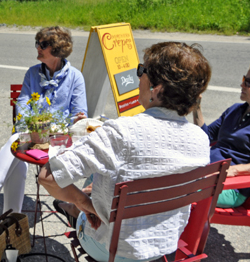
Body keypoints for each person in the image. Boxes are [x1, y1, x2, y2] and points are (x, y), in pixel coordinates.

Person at [39, 42, 212, 262]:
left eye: (142, 71)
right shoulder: (200, 139)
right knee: (105, 170)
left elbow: (48, 177)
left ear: (156, 89)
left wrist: (85, 204)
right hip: (163, 244)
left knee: (89, 190)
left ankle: (72, 209)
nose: (139, 77)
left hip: (112, 249)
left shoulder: (122, 132)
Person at [0, 26, 87, 230]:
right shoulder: (33, 73)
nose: (37, 48)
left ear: (58, 49)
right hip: (32, 134)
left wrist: (55, 127)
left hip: (59, 140)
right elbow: (22, 107)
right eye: (37, 43)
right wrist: (35, 129)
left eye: (43, 45)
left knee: (15, 149)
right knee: (15, 146)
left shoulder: (75, 77)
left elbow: (77, 116)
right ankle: (10, 222)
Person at [192, 59, 250, 208]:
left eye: (249, 83)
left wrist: (234, 171)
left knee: (176, 188)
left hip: (231, 188)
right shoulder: (235, 110)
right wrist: (196, 108)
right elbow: (205, 137)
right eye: (244, 79)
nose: (242, 85)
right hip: (205, 174)